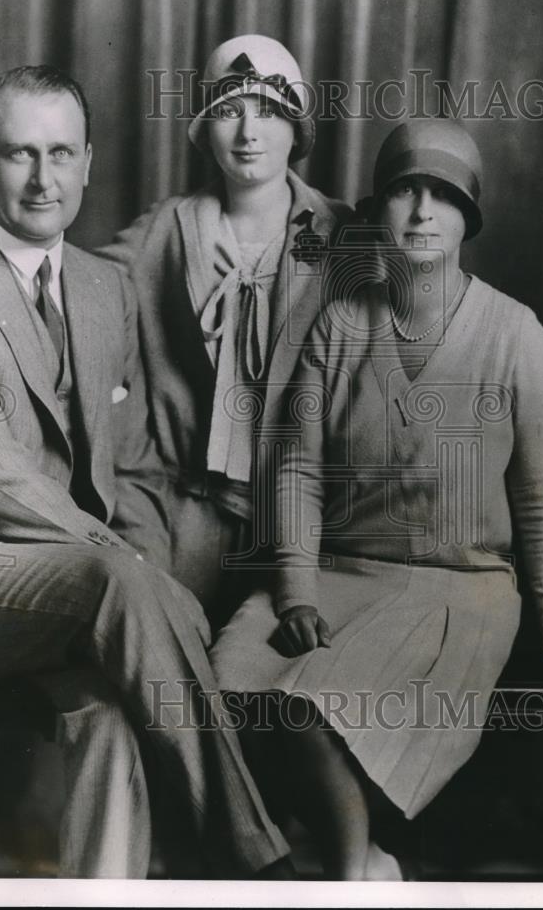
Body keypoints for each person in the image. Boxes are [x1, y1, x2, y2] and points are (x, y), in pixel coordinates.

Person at [0, 64, 292, 879]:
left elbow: (133, 465)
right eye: (19, 155)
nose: (44, 180)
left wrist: (136, 558)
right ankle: (252, 859)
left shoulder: (105, 287)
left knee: (110, 713)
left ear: (89, 162)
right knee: (124, 586)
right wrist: (133, 566)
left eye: (62, 154)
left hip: (79, 585)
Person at [210, 118, 543, 879]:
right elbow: (295, 469)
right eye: (404, 189)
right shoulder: (339, 323)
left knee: (309, 702)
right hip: (337, 574)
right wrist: (295, 594)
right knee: (225, 680)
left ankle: (350, 871)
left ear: (469, 217)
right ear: (379, 208)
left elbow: (540, 499)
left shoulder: (517, 336)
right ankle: (358, 858)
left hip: (459, 592)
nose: (422, 211)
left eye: (443, 195)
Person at [96, 34, 351, 626]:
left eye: (268, 111)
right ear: (205, 128)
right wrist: (116, 406)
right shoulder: (168, 226)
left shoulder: (343, 234)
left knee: (265, 682)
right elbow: (79, 290)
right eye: (228, 111)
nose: (248, 132)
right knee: (151, 648)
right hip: (176, 508)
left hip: (304, 523)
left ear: (297, 127)